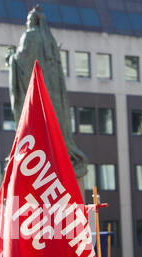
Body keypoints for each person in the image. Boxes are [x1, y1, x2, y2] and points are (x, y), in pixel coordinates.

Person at [7, 5, 87, 180]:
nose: (28, 24)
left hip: (37, 96)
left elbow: (22, 62)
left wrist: (11, 59)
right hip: (54, 98)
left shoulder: (29, 36)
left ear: (33, 22)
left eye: (29, 21)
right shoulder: (49, 41)